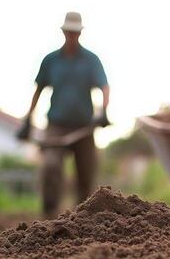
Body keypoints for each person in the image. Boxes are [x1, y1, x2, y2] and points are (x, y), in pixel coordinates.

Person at [19, 11, 110, 218]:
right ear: (64, 32)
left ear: (80, 33)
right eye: (69, 32)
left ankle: (82, 219)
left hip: (83, 127)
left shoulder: (91, 60)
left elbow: (105, 87)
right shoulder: (51, 61)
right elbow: (39, 89)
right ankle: (48, 216)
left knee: (86, 176)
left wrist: (104, 111)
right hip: (56, 125)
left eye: (75, 32)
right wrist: (28, 119)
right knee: (51, 166)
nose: (72, 36)